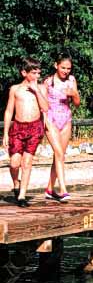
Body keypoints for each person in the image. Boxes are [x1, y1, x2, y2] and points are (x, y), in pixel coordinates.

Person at [3, 57, 48, 207]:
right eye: (34, 73)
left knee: (27, 163)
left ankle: (22, 196)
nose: (37, 76)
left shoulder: (41, 88)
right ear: (24, 73)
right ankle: (16, 183)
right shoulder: (15, 89)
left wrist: (36, 91)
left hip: (34, 128)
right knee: (15, 163)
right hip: (18, 128)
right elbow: (9, 111)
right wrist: (5, 134)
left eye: (38, 73)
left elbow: (45, 108)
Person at [43, 53, 80, 201]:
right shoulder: (48, 82)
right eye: (63, 67)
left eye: (68, 68)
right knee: (59, 153)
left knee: (60, 155)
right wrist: (44, 120)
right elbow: (43, 104)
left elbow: (77, 103)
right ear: (56, 65)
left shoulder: (71, 80)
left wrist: (74, 93)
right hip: (51, 119)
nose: (66, 71)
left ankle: (49, 189)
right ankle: (63, 189)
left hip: (66, 119)